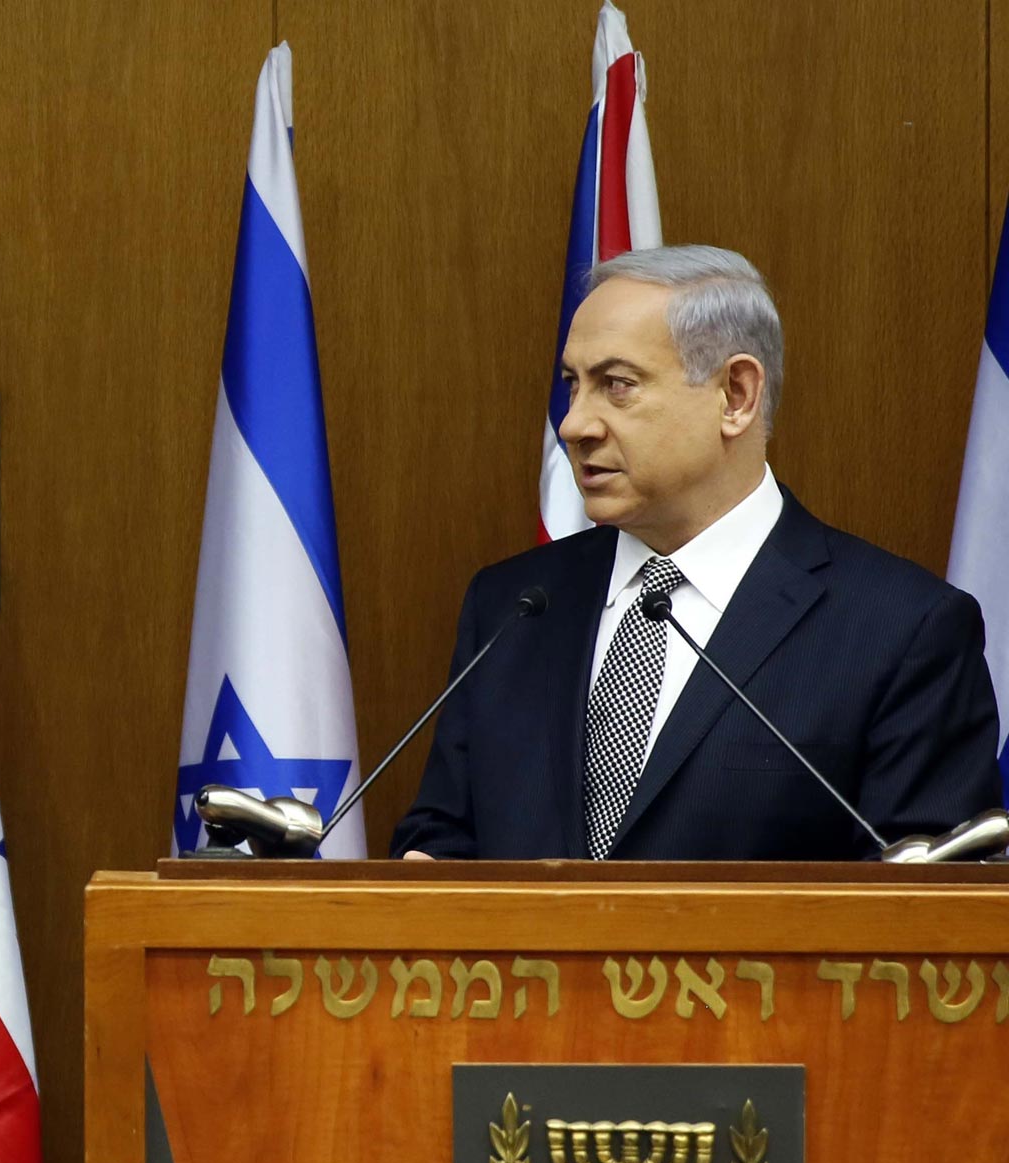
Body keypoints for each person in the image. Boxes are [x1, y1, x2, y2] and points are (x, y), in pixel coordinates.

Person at [392, 244, 1000, 861]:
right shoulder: (513, 605)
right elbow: (441, 835)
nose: (575, 425)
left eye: (617, 385)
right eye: (574, 386)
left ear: (735, 395)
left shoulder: (901, 629)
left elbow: (926, 906)